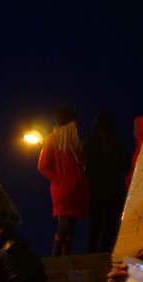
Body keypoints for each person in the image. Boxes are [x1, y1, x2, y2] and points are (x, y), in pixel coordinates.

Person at [37, 106, 89, 256]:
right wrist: (60, 180)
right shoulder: (53, 141)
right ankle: (56, 259)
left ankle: (64, 259)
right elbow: (42, 166)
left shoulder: (74, 144)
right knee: (64, 226)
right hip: (64, 191)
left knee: (70, 229)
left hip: (75, 191)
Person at [83, 110, 130, 253]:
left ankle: (90, 255)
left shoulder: (89, 141)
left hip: (94, 190)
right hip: (112, 191)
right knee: (108, 228)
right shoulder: (117, 142)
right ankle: (103, 255)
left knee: (94, 227)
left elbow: (84, 164)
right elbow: (125, 165)